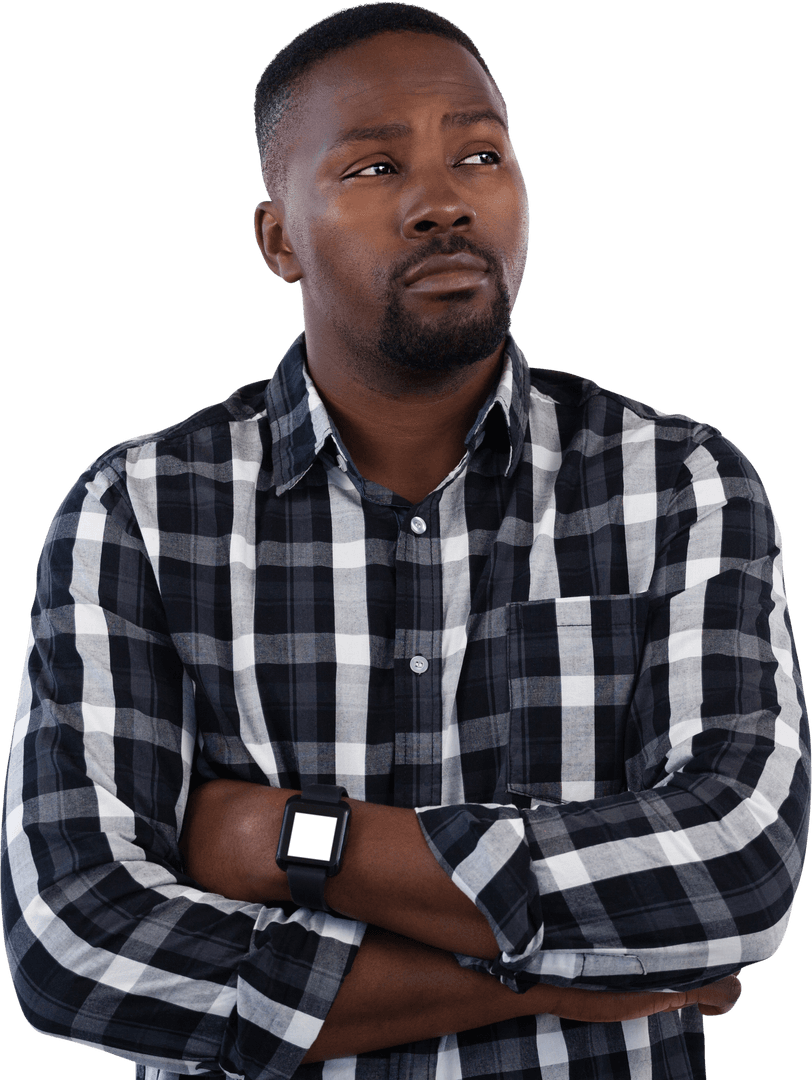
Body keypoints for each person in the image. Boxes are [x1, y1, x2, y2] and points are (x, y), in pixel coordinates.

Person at [2, 4, 809, 1079]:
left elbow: (738, 868)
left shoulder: (678, 485)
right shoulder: (142, 513)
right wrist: (579, 976)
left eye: (479, 154)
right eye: (374, 169)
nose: (441, 203)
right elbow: (76, 941)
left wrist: (295, 840)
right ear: (278, 239)